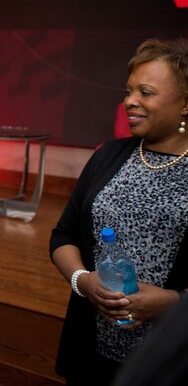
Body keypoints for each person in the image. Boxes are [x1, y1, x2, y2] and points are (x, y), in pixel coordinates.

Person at [50, 38, 188, 385]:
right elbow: (63, 235)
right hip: (91, 350)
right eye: (128, 91)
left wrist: (173, 303)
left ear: (185, 103)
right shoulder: (107, 156)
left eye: (146, 92)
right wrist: (85, 281)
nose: (130, 101)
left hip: (171, 361)